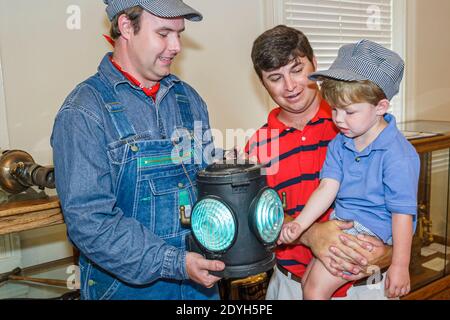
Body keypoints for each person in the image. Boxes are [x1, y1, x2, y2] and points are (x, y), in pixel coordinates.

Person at [51, 0, 225, 300]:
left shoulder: (189, 100)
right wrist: (175, 262)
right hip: (125, 289)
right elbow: (91, 223)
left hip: (200, 286)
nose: (176, 46)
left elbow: (210, 188)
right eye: (164, 33)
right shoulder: (83, 112)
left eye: (179, 34)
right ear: (126, 27)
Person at [247, 25, 393, 300]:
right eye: (275, 77)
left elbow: (402, 198)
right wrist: (311, 234)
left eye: (296, 69)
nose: (290, 86)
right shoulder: (257, 146)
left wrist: (394, 254)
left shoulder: (357, 121)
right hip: (291, 286)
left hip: (369, 285)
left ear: (314, 64)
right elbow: (255, 219)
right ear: (262, 83)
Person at [278, 40, 420, 300]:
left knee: (314, 290)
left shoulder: (398, 155)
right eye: (334, 109)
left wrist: (400, 265)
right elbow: (327, 187)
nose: (339, 119)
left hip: (368, 234)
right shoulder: (341, 142)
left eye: (349, 111)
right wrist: (300, 224)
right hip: (343, 222)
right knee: (308, 281)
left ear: (381, 107)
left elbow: (402, 214)